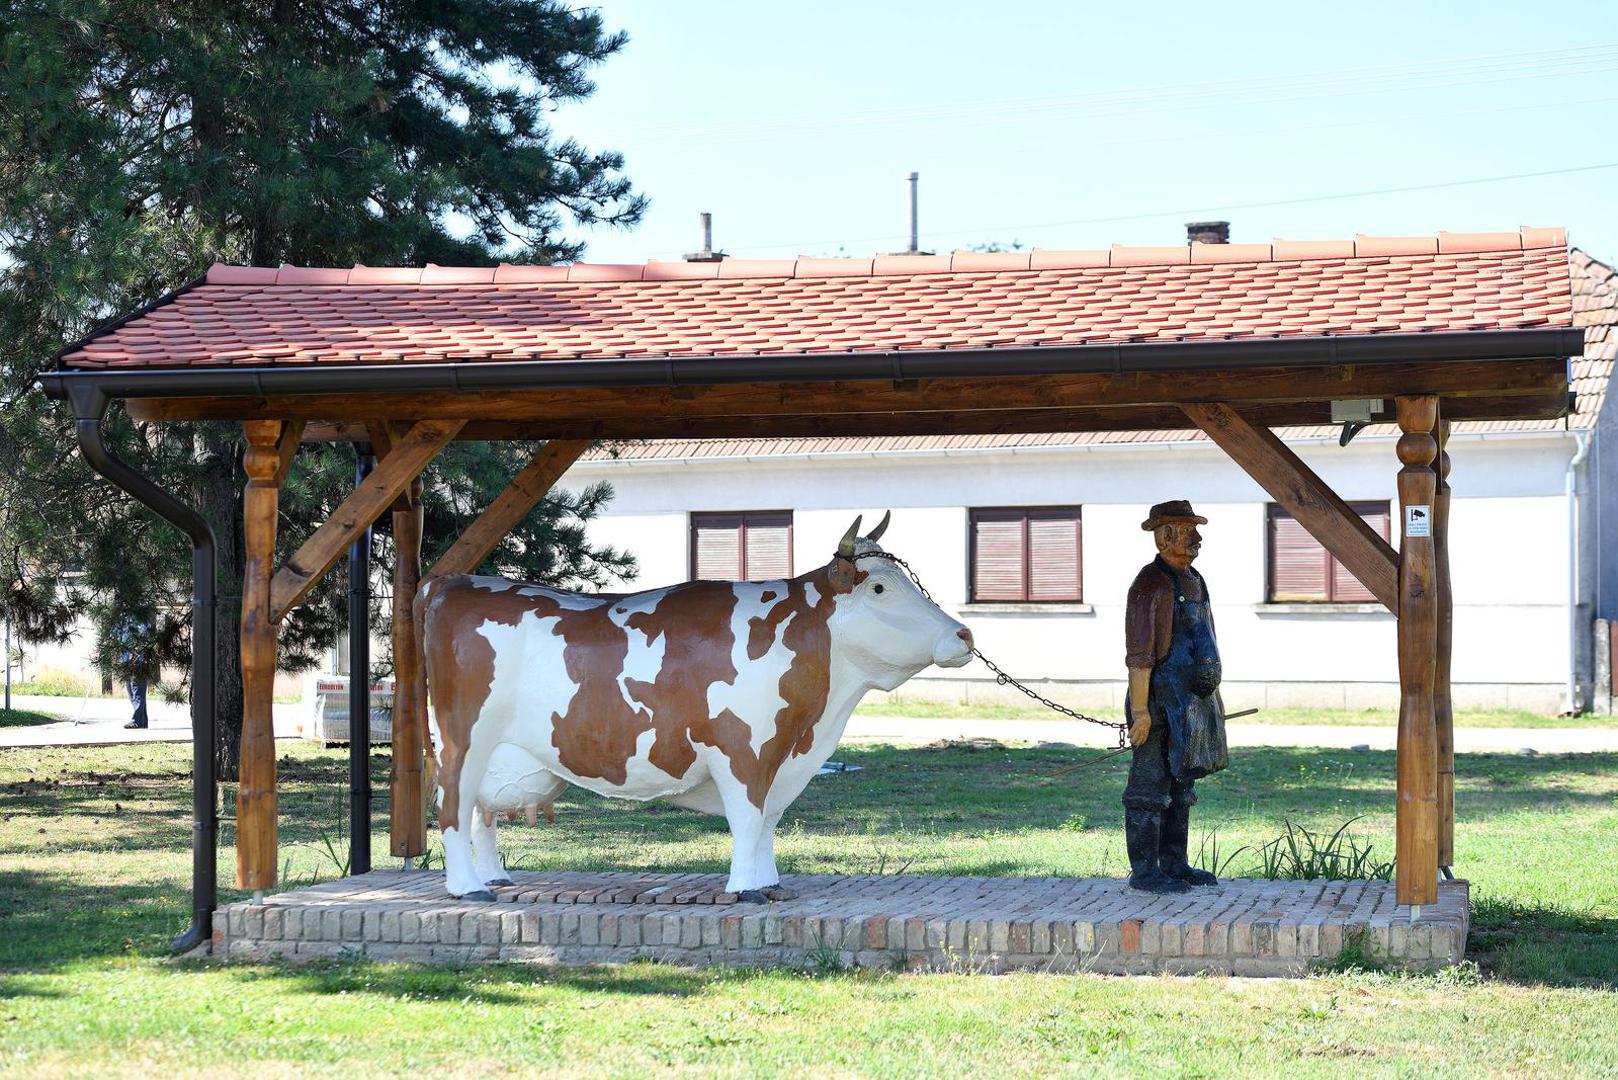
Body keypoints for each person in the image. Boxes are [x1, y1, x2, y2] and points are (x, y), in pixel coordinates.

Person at [1122, 500, 1229, 893]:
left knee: (1182, 786)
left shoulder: (1195, 579)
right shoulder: (1151, 584)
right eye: (1187, 531)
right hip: (1157, 701)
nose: (1196, 538)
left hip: (1192, 703)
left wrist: (1212, 697)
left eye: (1195, 531)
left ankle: (1174, 863)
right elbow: (1141, 654)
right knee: (1149, 787)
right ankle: (1146, 871)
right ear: (1165, 536)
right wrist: (1141, 712)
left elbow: (1209, 639)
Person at [112, 613, 151, 730]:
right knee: (131, 690)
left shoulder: (139, 617)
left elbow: (143, 636)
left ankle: (137, 720)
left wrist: (134, 651)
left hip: (137, 659)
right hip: (125, 659)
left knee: (137, 689)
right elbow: (116, 635)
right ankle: (142, 720)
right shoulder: (121, 617)